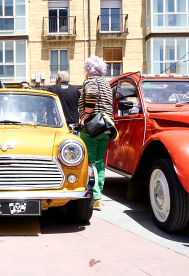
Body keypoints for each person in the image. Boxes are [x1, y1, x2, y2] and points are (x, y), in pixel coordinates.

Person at [79, 56, 114, 210]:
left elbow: (92, 95)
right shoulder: (106, 84)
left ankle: (94, 196)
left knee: (90, 160)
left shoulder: (90, 81)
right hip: (107, 126)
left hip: (93, 125)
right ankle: (99, 195)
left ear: (89, 69)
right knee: (100, 161)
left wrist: (86, 115)